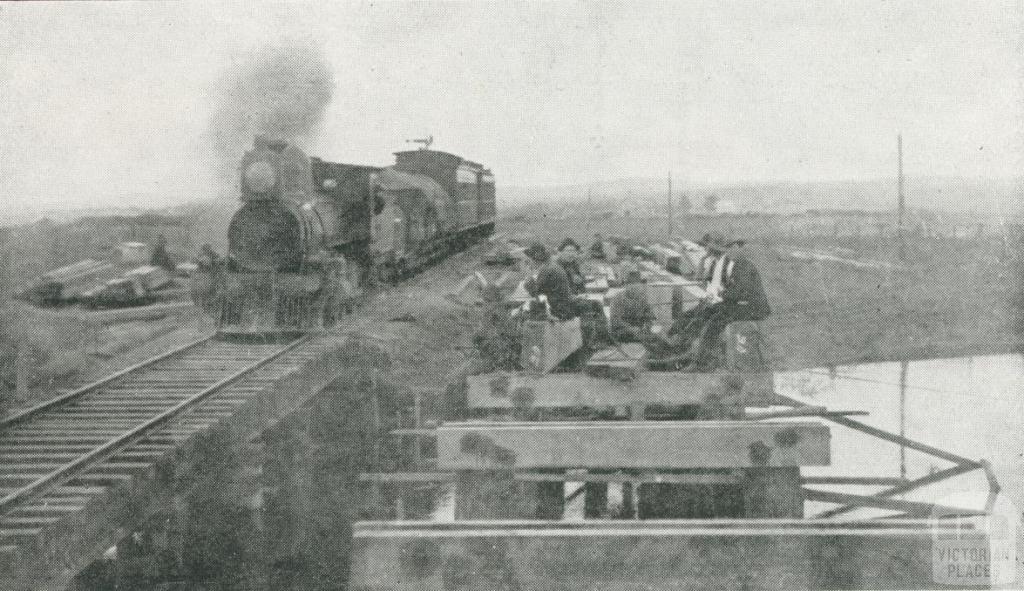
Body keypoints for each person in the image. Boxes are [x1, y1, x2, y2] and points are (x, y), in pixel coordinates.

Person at [661, 233, 770, 369]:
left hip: (753, 308)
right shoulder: (738, 264)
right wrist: (722, 296)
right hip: (745, 305)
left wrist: (721, 294)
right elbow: (735, 291)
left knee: (715, 321)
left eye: (728, 249)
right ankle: (685, 345)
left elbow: (739, 292)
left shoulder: (743, 265)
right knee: (709, 311)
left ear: (736, 247)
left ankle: (700, 361)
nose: (726, 253)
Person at [523, 243, 575, 320]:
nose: (528, 262)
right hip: (564, 306)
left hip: (558, 311)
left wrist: (528, 278)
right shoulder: (551, 266)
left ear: (535, 258)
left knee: (520, 314)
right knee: (525, 308)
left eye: (529, 259)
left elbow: (536, 295)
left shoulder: (547, 270)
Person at [608, 269, 656, 344]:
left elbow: (650, 315)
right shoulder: (618, 299)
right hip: (622, 332)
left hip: (639, 331)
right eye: (632, 287)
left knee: (657, 337)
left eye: (637, 287)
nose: (635, 290)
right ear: (626, 286)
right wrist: (630, 329)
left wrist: (648, 324)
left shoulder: (642, 298)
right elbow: (615, 320)